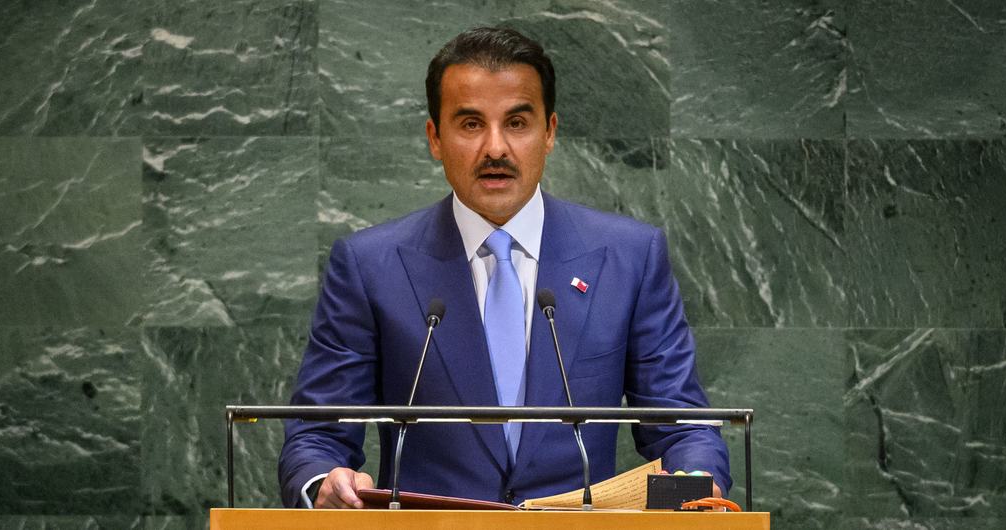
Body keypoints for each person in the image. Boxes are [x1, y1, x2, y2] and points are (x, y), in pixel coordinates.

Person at [279, 26, 729, 509]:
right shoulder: (370, 266)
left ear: (550, 132)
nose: (495, 148)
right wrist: (324, 483)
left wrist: (696, 479)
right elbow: (317, 437)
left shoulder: (630, 258)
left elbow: (681, 428)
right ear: (435, 138)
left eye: (516, 123)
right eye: (471, 124)